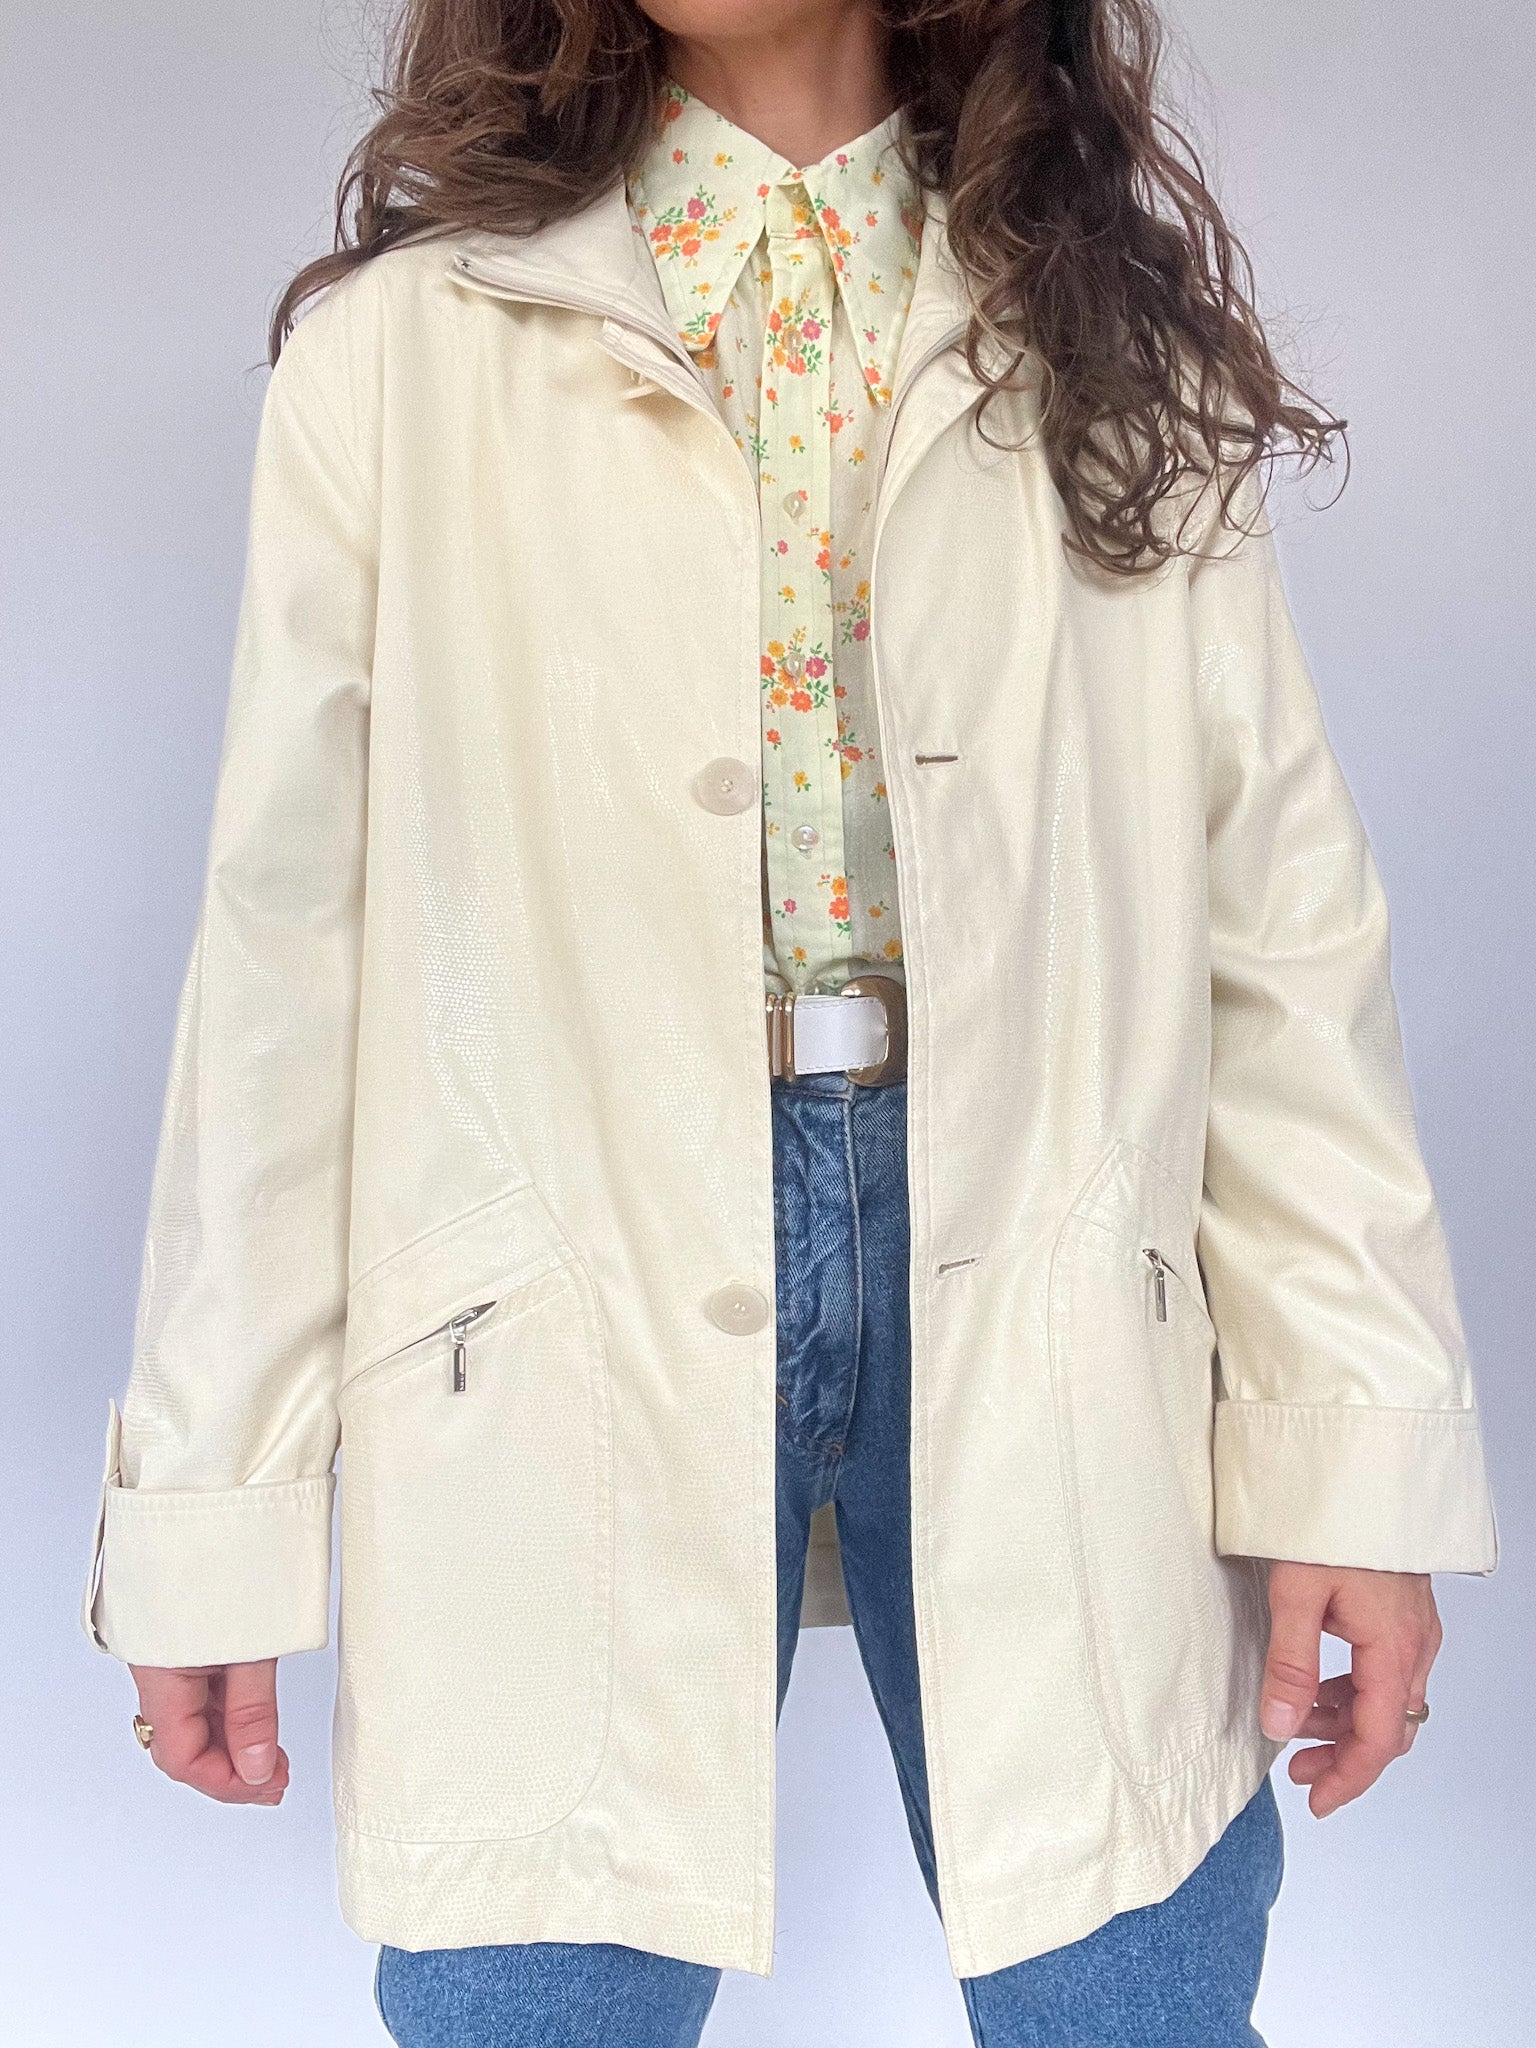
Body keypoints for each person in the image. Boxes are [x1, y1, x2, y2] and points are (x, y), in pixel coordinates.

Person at [82, 1, 1498, 2042]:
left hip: (1048, 1260)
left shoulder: (1110, 342)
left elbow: (1278, 938)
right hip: (555, 1288)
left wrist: (1349, 1454)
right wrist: (212, 1511)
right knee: (532, 1999)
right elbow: (279, 969)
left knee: (1134, 1998)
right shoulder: (399, 360)